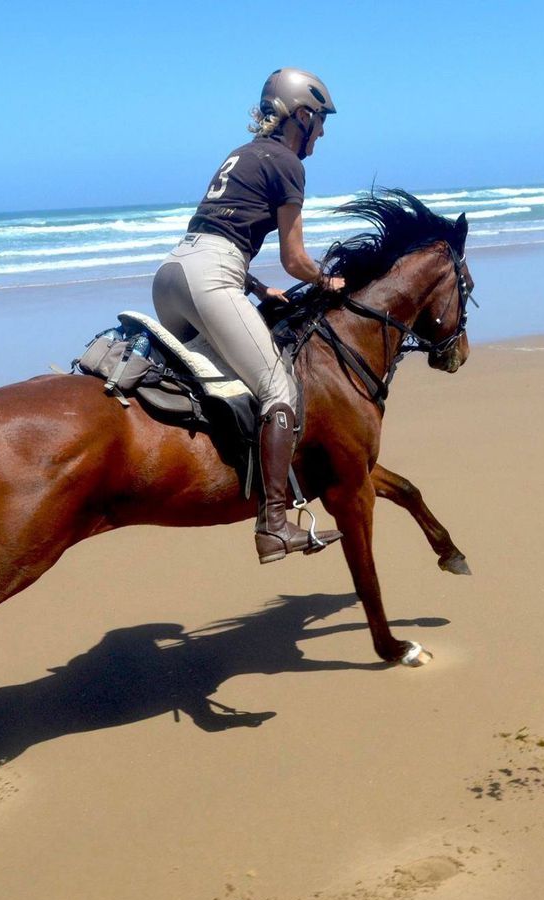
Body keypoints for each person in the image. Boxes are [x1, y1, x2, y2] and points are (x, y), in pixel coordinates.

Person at [152, 67, 347, 564]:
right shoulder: (286, 162)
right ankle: (275, 525)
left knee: (213, 381)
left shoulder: (240, 154)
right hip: (212, 279)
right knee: (278, 388)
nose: (321, 133)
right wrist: (327, 279)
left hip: (172, 276)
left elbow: (220, 231)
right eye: (320, 121)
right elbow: (294, 258)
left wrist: (258, 288)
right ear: (301, 115)